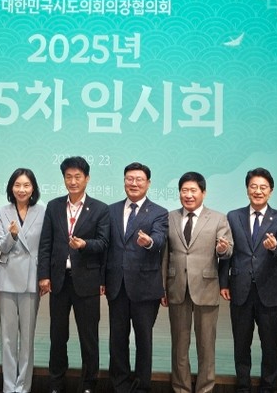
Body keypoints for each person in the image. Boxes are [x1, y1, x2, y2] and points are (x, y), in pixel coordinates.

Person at [38, 156, 110, 393]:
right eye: (68, 177)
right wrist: (44, 275)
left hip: (87, 282)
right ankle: (56, 383)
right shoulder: (54, 206)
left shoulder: (100, 209)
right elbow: (45, 244)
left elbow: (103, 244)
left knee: (89, 338)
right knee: (58, 336)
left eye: (78, 176)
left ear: (87, 178)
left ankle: (88, 384)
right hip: (59, 281)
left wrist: (84, 245)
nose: (73, 181)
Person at [219, 168, 277, 393]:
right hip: (240, 289)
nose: (258, 191)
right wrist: (223, 282)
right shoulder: (233, 216)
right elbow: (228, 251)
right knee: (241, 344)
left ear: (271, 191)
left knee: (270, 344)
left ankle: (268, 386)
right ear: (247, 189)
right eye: (254, 186)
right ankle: (243, 386)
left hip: (269, 291)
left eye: (263, 187)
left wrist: (275, 246)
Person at [162, 171, 233, 393]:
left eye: (193, 190)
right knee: (179, 346)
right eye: (184, 190)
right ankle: (180, 388)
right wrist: (162, 287)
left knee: (206, 345)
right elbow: (164, 255)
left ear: (203, 192)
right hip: (177, 287)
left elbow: (228, 249)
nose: (188, 195)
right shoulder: (169, 217)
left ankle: (205, 388)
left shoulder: (218, 218)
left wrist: (222, 249)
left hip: (206, 287)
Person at [105, 162, 168, 393]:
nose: (134, 183)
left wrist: (149, 242)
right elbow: (106, 247)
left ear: (148, 183)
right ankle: (119, 384)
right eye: (129, 179)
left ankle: (142, 387)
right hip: (117, 285)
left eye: (139, 179)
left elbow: (160, 238)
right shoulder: (110, 210)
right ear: (124, 181)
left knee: (144, 340)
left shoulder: (159, 212)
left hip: (145, 287)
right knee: (117, 339)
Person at [0, 168, 46, 393]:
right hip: (7, 276)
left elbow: (45, 247)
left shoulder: (43, 211)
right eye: (17, 185)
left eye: (26, 185)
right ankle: (9, 387)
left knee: (27, 337)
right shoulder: (1, 211)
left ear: (33, 188)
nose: (22, 189)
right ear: (11, 187)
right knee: (7, 337)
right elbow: (2, 246)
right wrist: (13, 235)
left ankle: (23, 387)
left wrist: (44, 276)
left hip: (31, 278)